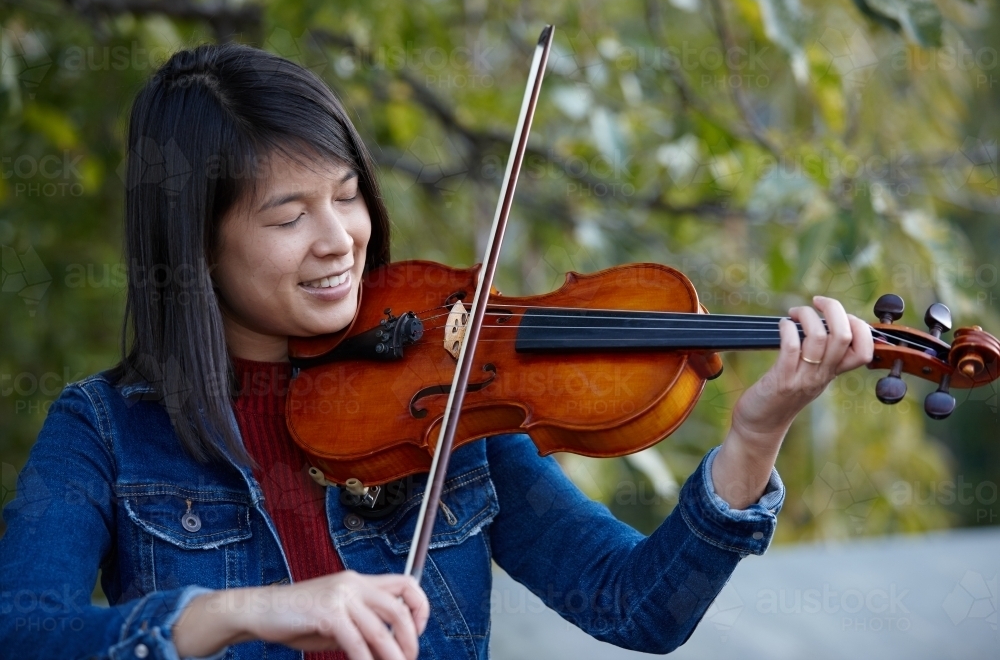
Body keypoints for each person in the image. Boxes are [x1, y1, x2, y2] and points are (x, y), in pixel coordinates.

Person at [0, 43, 874, 660]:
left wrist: (754, 437)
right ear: (195, 242)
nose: (339, 238)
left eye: (347, 196)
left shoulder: (442, 399)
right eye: (287, 214)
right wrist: (238, 613)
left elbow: (636, 606)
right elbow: (23, 631)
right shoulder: (105, 432)